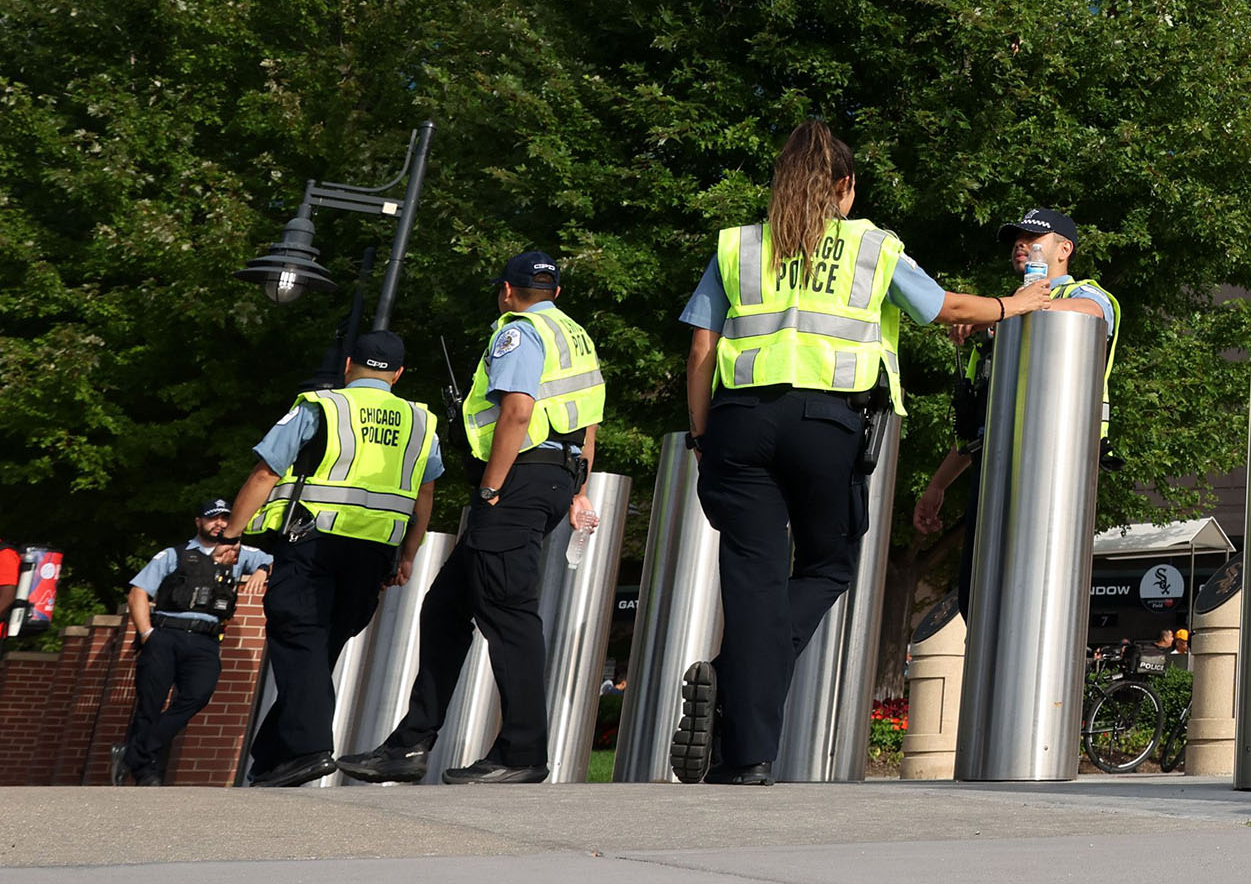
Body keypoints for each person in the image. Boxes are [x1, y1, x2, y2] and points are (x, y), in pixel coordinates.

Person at [674, 122, 1082, 784]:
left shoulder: (738, 246)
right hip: (823, 423)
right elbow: (941, 305)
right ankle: (734, 689)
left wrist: (700, 438)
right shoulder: (871, 246)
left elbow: (700, 351)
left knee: (750, 583)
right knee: (829, 565)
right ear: (845, 187)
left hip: (737, 424)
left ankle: (743, 756)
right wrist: (1016, 302)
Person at [342, 251, 605, 785]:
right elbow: (590, 425)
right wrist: (575, 488)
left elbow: (518, 411)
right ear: (554, 290)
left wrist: (490, 487)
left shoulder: (519, 330)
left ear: (508, 290)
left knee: (508, 616)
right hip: (553, 477)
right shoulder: (574, 334)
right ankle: (411, 744)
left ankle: (522, 754)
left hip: (517, 480)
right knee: (445, 609)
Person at [229, 329, 440, 787]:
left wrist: (231, 533)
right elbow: (425, 492)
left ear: (348, 365)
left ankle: (307, 751)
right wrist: (408, 555)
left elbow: (267, 471)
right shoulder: (421, 422)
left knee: (300, 636)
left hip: (314, 542)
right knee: (317, 650)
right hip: (375, 554)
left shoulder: (322, 405)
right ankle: (272, 759)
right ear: (398, 375)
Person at [909, 209, 1120, 579]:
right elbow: (982, 421)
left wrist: (1000, 312)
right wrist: (937, 485)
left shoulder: (1081, 293)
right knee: (975, 592)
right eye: (1016, 240)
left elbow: (1092, 313)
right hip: (993, 466)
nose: (1021, 246)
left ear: (1064, 249)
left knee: (1033, 584)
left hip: (1055, 467)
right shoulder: (1002, 318)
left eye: (1034, 239)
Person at [113, 501, 273, 785]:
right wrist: (146, 634)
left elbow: (275, 560)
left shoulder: (240, 554)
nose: (220, 524)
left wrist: (262, 570)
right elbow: (138, 592)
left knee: (198, 695)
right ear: (199, 522)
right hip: (165, 633)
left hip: (205, 639)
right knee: (150, 703)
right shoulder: (173, 554)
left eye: (226, 518)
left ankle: (135, 752)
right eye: (213, 518)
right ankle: (144, 770)